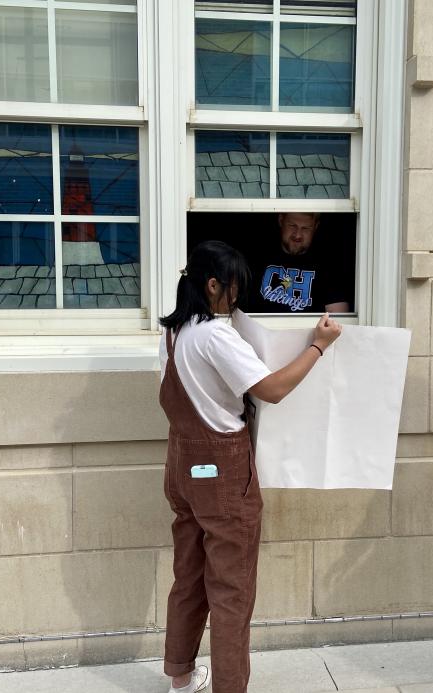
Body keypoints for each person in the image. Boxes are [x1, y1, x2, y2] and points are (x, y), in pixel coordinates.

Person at [159, 240, 342, 693]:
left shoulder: (171, 332)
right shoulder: (215, 335)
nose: (236, 300)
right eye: (233, 289)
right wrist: (318, 347)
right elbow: (272, 389)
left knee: (189, 578)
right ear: (213, 284)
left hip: (185, 467)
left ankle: (181, 678)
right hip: (220, 473)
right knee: (232, 592)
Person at [250, 212, 351, 313]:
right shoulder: (257, 256)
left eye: (305, 228)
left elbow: (338, 319)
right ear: (281, 220)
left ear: (316, 226)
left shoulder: (329, 266)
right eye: (292, 225)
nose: (297, 235)